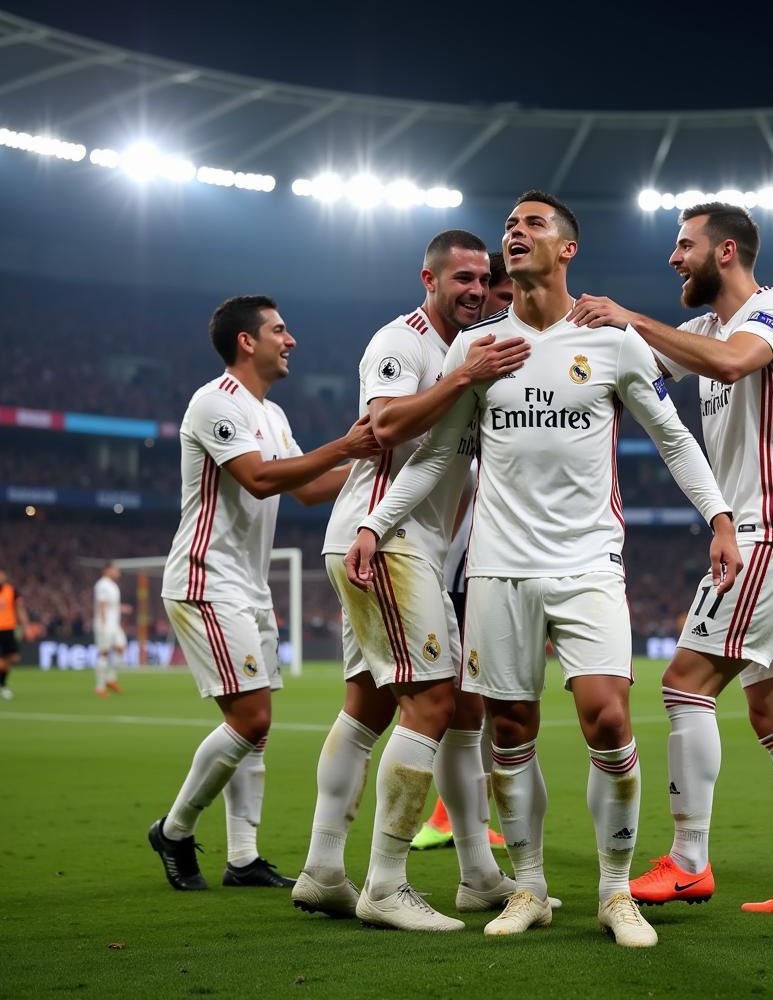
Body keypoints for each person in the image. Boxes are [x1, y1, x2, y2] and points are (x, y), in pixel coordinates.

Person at [347, 191, 739, 947]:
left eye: (532, 225)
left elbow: (674, 438)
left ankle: (615, 891)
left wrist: (719, 518)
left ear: (567, 250)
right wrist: (373, 523)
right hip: (498, 570)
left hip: (589, 561)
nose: (514, 233)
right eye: (510, 226)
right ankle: (527, 887)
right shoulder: (478, 351)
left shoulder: (614, 342)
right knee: (511, 730)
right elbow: (433, 460)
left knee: (609, 716)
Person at [568, 201, 773, 915]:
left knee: (685, 684)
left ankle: (689, 859)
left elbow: (729, 365)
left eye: (685, 244)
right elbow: (629, 366)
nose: (674, 257)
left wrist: (627, 315)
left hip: (772, 528)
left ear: (726, 252)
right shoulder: (698, 328)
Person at [294, 231, 531, 932]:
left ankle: (323, 869)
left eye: (482, 278)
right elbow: (382, 427)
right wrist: (459, 382)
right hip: (387, 544)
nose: (474, 289)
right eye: (460, 276)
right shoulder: (403, 344)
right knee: (432, 703)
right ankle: (386, 885)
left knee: (369, 709)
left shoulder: (465, 352)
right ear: (426, 277)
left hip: (397, 546)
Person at [150, 295, 379, 892]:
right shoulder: (214, 402)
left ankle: (243, 858)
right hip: (206, 579)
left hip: (248, 586)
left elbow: (304, 490)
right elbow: (255, 478)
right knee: (250, 718)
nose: (291, 340)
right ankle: (173, 831)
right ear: (246, 341)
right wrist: (345, 447)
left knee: (255, 726)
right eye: (280, 330)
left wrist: (381, 466)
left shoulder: (270, 415)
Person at [412, 250, 514, 853]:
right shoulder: (461, 357)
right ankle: (453, 820)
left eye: (498, 293)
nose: (496, 305)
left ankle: (469, 824)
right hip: (460, 558)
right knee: (462, 697)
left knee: (496, 700)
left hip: (501, 554)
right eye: (487, 293)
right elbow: (435, 454)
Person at [93, 562, 129, 697]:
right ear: (107, 570)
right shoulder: (102, 585)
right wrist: (103, 624)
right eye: (115, 569)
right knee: (104, 652)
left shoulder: (113, 585)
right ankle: (99, 687)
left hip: (114, 624)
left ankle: (110, 679)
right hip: (105, 624)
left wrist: (122, 608)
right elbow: (101, 605)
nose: (118, 572)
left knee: (121, 647)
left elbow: (111, 605)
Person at [0, 569, 29, 701]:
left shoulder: (11, 591)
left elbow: (19, 609)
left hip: (8, 629)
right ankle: (3, 685)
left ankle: (2, 684)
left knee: (13, 658)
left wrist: (26, 626)